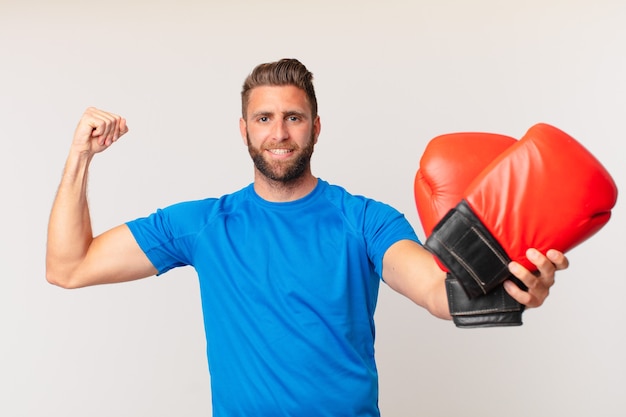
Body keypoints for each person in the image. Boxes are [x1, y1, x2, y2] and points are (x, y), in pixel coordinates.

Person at [46, 58, 569, 416]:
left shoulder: (364, 219)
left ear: (316, 127)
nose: (279, 133)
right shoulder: (203, 224)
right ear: (245, 129)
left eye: (293, 117)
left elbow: (435, 291)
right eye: (265, 119)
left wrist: (508, 286)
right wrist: (79, 156)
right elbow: (69, 267)